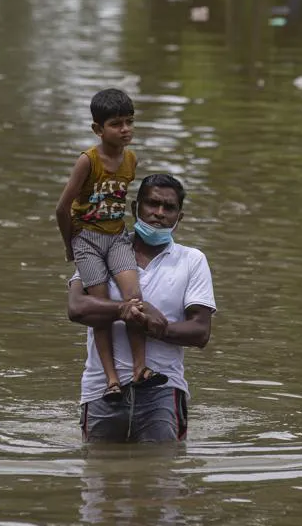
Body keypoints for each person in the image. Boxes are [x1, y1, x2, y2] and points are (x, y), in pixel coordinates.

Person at [67, 174, 216, 443]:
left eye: (168, 207)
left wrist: (159, 327)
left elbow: (201, 331)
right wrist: (125, 309)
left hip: (163, 389)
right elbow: (77, 308)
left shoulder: (192, 260)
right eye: (152, 204)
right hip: (102, 388)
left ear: (179, 217)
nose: (159, 213)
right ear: (135, 207)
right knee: (99, 477)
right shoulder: (101, 250)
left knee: (162, 479)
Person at [55, 89, 168, 403]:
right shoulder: (87, 161)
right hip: (87, 239)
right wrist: (70, 246)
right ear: (98, 129)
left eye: (129, 122)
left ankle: (139, 370)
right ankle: (111, 380)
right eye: (117, 124)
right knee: (101, 311)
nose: (125, 129)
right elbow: (62, 209)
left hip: (118, 237)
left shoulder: (130, 159)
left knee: (135, 298)